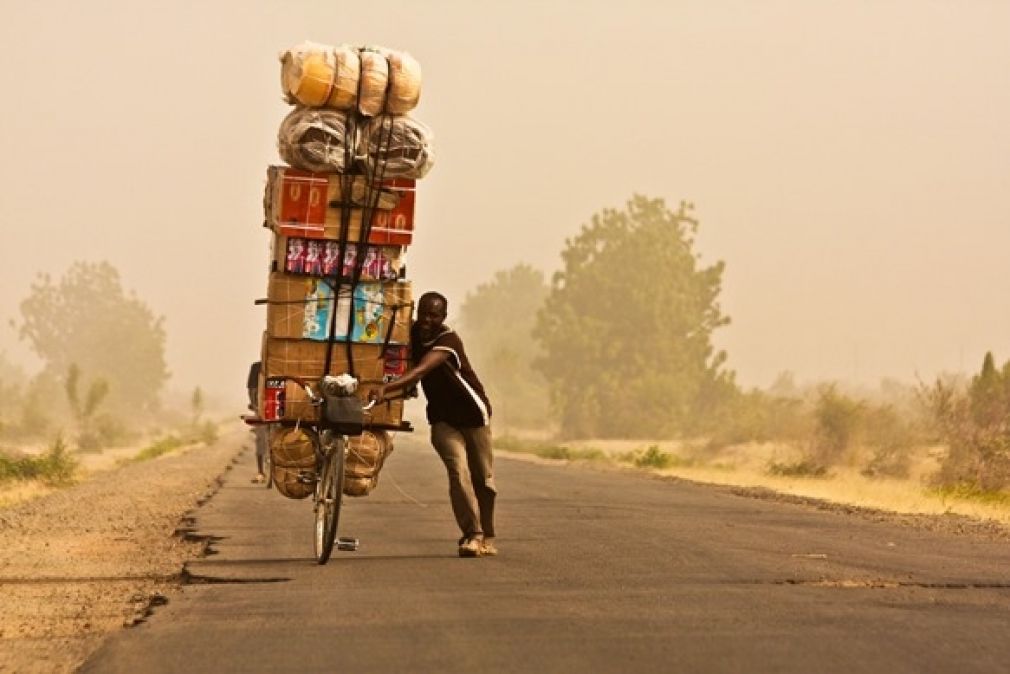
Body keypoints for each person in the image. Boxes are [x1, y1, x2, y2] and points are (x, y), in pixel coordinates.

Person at [369, 292, 497, 558]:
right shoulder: (412, 334)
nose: (427, 320)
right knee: (458, 471)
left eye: (434, 316)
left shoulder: (448, 340)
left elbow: (420, 371)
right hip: (442, 419)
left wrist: (386, 388)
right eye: (423, 314)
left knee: (483, 480)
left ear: (443, 317)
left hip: (473, 415)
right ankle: (473, 534)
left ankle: (488, 535)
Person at [247, 361, 269, 484]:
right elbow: (251, 390)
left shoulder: (257, 366)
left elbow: (251, 390)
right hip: (264, 409)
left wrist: (254, 405)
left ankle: (261, 472)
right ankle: (261, 472)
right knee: (261, 438)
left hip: (262, 409)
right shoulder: (258, 367)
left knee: (261, 439)